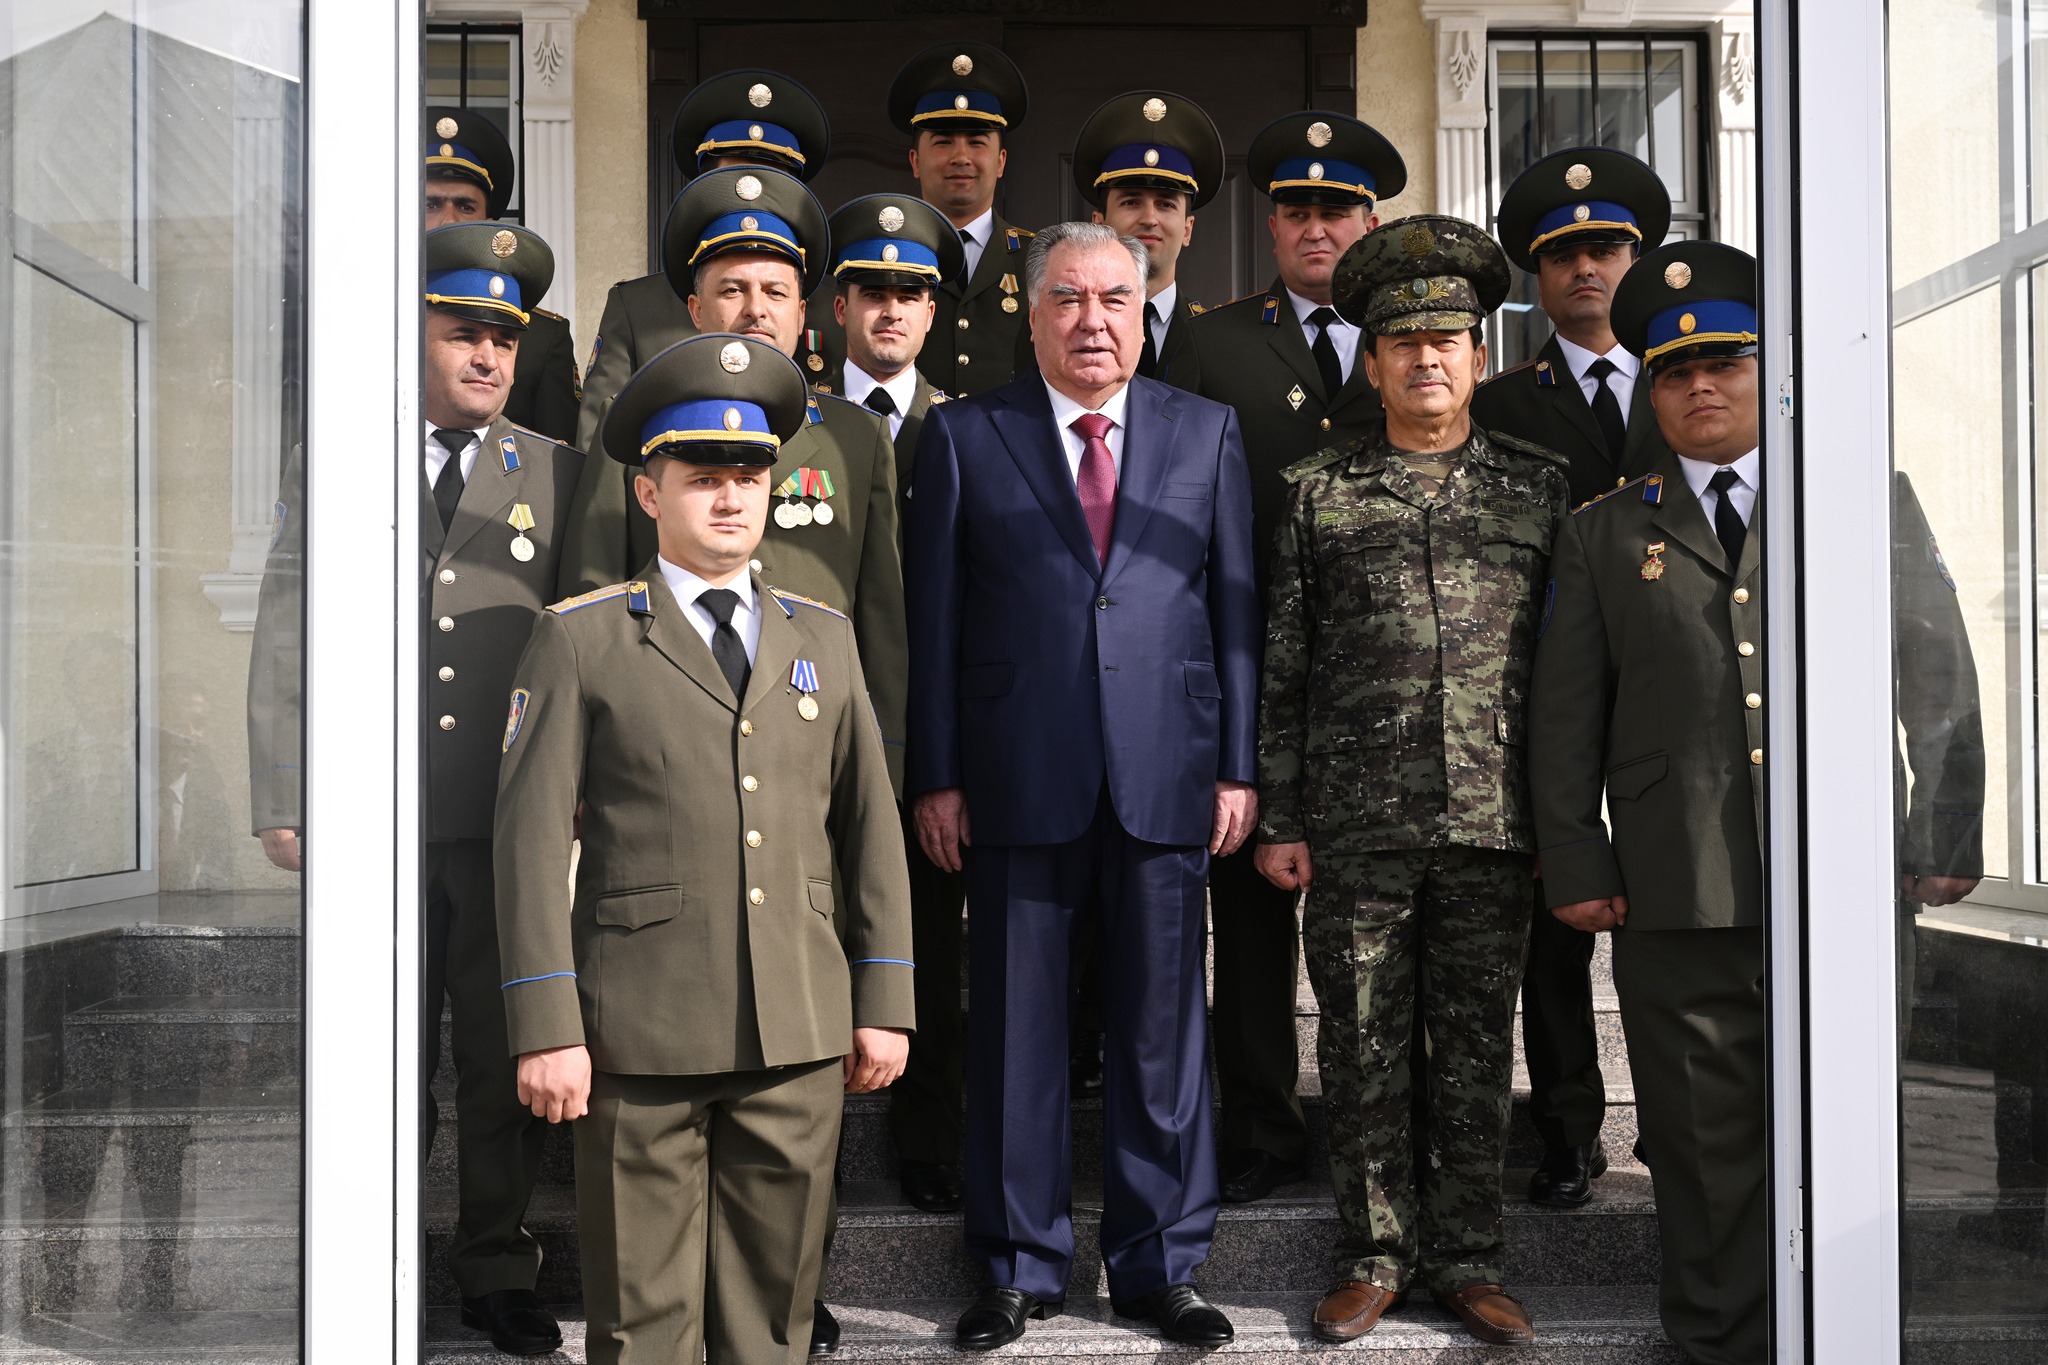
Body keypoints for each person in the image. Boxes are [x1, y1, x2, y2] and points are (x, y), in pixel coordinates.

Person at [1530, 241, 1983, 1365]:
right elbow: (1564, 716)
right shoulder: (1601, 530)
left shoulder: (1858, 496)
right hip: (1675, 883)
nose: (1700, 387)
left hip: (1844, 873)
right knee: (1698, 1142)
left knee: (1850, 1129)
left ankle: (1852, 1334)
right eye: (1674, 371)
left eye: (1723, 363)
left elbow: (1934, 672)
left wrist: (1942, 830)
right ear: (1650, 390)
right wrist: (1576, 862)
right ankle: (1719, 1340)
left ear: (1768, 371)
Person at [494, 332, 915, 1365]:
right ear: (649, 493)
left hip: (796, 1026)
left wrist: (885, 997)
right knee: (643, 1326)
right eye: (702, 478)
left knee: (774, 1322)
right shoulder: (581, 637)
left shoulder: (823, 635)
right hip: (639, 1031)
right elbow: (530, 841)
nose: (730, 498)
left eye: (749, 477)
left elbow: (869, 826)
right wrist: (547, 1025)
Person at [905, 221, 1259, 1350]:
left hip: (1167, 769)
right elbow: (934, 622)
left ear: (1145, 313)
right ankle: (1017, 1266)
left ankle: (1161, 1265)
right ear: (1030, 312)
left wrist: (1237, 763)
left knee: (1162, 1034)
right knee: (1017, 1032)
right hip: (1015, 772)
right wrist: (937, 775)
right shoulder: (965, 434)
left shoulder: (1206, 432)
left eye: (1115, 299)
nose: (1092, 321)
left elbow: (1234, 613)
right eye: (1067, 298)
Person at [251, 221, 581, 1356]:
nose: (487, 356)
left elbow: (584, 652)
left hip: (504, 823)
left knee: (498, 1052)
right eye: (461, 333)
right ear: (415, 335)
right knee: (380, 1057)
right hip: (377, 820)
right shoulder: (345, 452)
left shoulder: (558, 472)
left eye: (504, 338)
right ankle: (374, 1264)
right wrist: (284, 785)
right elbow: (287, 618)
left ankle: (496, 1267)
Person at [1254, 215, 1565, 1347]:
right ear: (1373, 363)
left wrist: (1564, 821)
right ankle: (1373, 1255)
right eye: (1403, 344)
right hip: (1357, 823)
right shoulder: (1315, 491)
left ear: (1478, 355)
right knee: (1360, 1042)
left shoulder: (1538, 488)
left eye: (1446, 340)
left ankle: (1469, 1259)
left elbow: (1567, 670)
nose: (1426, 359)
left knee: (1477, 1046)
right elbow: (1284, 662)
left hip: (1495, 816)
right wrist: (1281, 812)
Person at [1184, 109, 1408, 1207]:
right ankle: (1264, 1127)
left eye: (1338, 209)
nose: (1316, 227)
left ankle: (1392, 1127)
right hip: (1246, 668)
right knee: (1250, 923)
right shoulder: (1210, 344)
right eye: (1296, 209)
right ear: (1269, 226)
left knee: (1385, 922)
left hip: (1384, 681)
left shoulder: (1413, 343)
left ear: (1369, 223)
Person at [555, 166, 907, 791]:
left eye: (775, 291)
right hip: (661, 750)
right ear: (695, 309)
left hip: (813, 747)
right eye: (732, 290)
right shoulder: (635, 429)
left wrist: (886, 767)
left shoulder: (858, 439)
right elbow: (594, 588)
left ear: (803, 310)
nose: (756, 310)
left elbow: (881, 626)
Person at [1470, 145, 1674, 1208]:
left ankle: (1675, 1124)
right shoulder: (1502, 402)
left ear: (1637, 262)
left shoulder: (1695, 382)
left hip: (1668, 690)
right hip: (1544, 686)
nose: (1586, 269)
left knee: (1673, 915)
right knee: (1553, 923)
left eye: (1607, 250)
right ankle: (1565, 1131)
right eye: (1562, 255)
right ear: (1536, 278)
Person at [808, 191, 973, 1216]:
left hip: (933, 733)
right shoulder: (795, 425)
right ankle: (809, 1152)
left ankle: (928, 1141)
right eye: (871, 291)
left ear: (933, 311)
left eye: (910, 293)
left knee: (929, 947)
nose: (890, 310)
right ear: (839, 306)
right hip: (817, 724)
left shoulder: (971, 426)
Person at [574, 70, 832, 454]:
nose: (753, 188)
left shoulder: (831, 308)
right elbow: (601, 448)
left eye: (772, 175)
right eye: (738, 171)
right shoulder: (636, 307)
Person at [878, 42, 1035, 396]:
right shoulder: (882, 255)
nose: (961, 157)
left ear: (1001, 161)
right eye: (943, 142)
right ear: (915, 161)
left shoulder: (1041, 258)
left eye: (977, 142)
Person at [425, 106, 580, 444]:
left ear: (489, 221)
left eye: (465, 206)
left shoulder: (542, 337)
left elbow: (557, 463)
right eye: (430, 204)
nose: (448, 220)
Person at [1071, 90, 1225, 390]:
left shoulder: (1218, 339)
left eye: (1166, 204)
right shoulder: (1062, 329)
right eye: (1131, 202)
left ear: (1188, 230)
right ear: (1099, 225)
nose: (1149, 218)